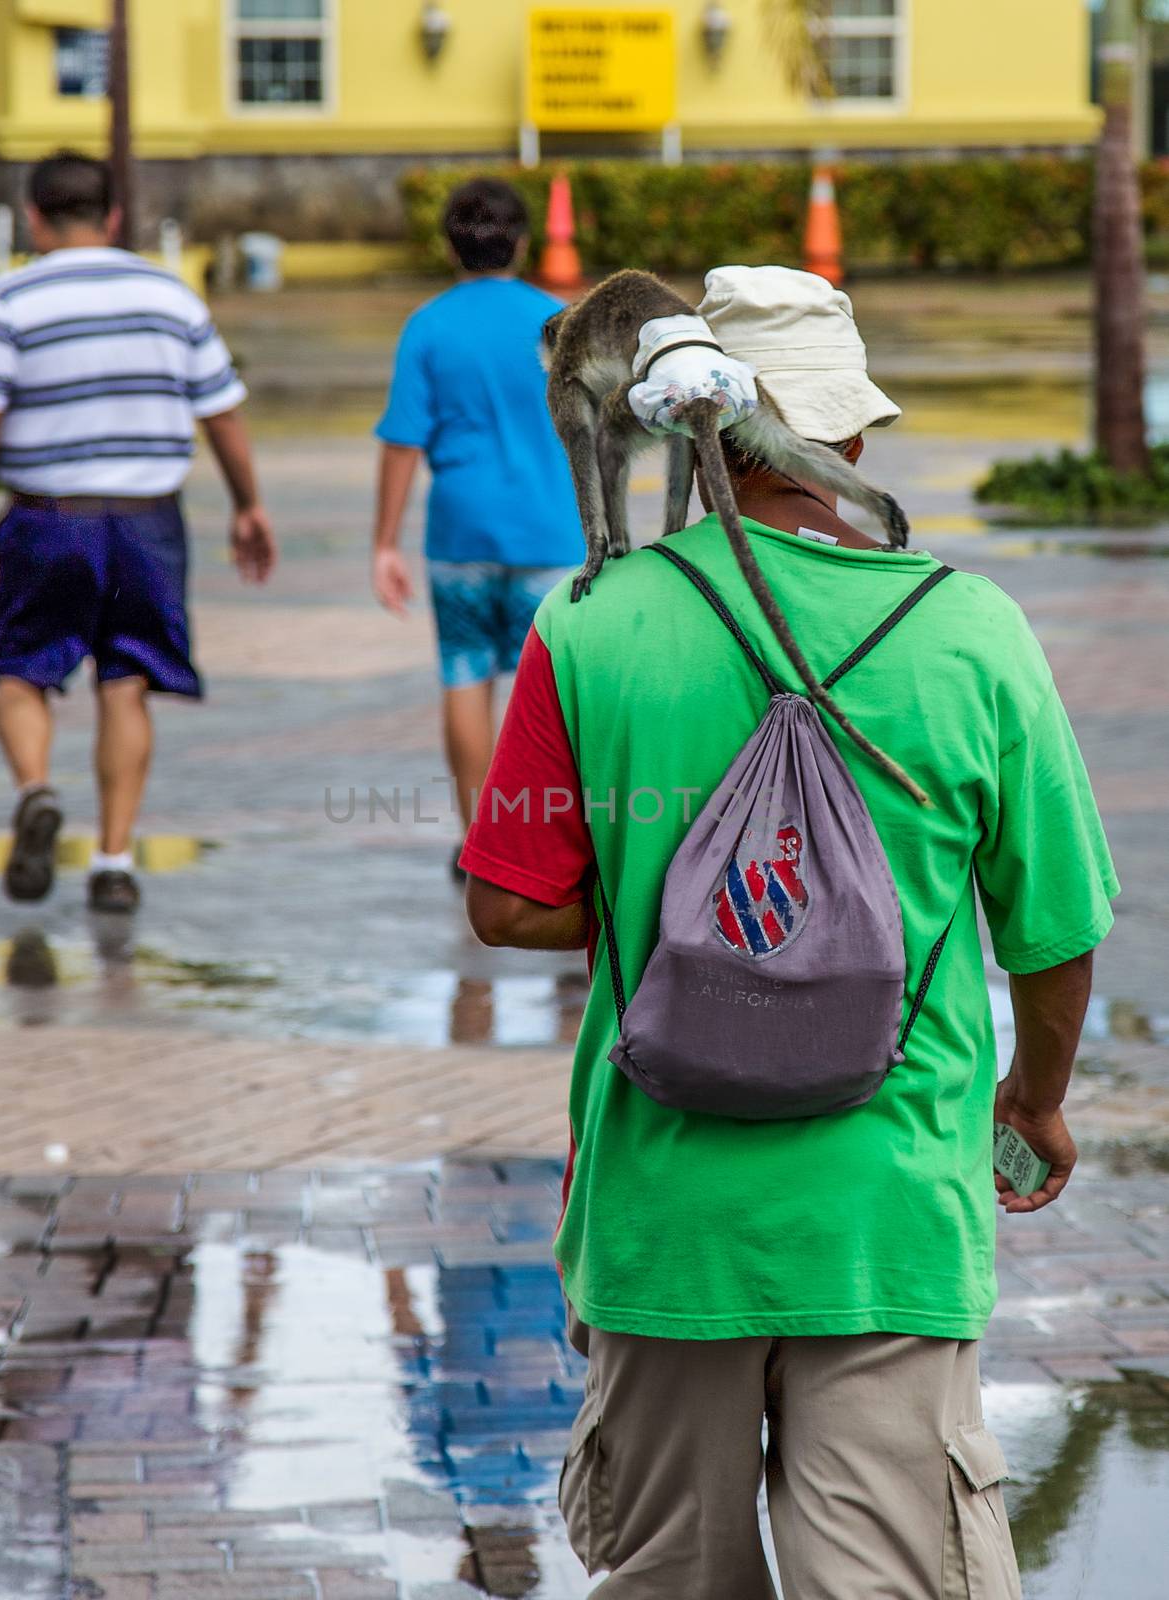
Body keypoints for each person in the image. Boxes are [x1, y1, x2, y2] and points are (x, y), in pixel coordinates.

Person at [459, 266, 1118, 1596]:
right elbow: (1051, 930)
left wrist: (681, 896)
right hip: (884, 1218)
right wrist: (1035, 1098)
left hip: (659, 1221)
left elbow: (508, 901)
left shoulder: (593, 620)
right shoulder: (971, 630)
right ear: (853, 435)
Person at [0, 150, 275, 914]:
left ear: (32, 216)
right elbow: (220, 409)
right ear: (114, 215)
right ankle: (114, 863)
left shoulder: (11, 296)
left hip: (48, 516)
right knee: (125, 683)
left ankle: (35, 790)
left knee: (22, 672)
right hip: (147, 523)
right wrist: (248, 504)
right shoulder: (168, 293)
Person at [370, 178, 583, 874]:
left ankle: (478, 844)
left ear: (449, 245)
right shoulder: (559, 323)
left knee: (464, 678)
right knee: (552, 698)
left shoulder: (428, 325)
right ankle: (554, 845)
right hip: (551, 533)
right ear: (522, 241)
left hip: (459, 532)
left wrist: (383, 543)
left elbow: (403, 439)